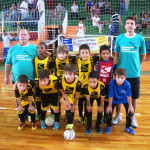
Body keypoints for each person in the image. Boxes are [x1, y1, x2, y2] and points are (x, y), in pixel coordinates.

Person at [114, 17, 146, 128]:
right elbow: (116, 55)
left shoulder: (140, 39)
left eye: (132, 23)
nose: (129, 25)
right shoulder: (120, 38)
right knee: (118, 95)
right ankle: (118, 115)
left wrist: (138, 66)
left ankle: (132, 116)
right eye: (127, 23)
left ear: (135, 26)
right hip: (120, 74)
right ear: (125, 25)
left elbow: (143, 55)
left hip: (134, 73)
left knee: (134, 97)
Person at [104, 68, 135, 135]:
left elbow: (129, 96)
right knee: (108, 112)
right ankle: (108, 126)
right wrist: (109, 106)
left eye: (122, 78)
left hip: (124, 99)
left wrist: (130, 106)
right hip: (114, 99)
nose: (119, 80)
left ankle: (128, 126)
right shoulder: (111, 83)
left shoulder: (127, 84)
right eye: (118, 77)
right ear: (115, 77)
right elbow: (110, 96)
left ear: (125, 78)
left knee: (130, 112)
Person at [75, 44, 99, 125]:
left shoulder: (92, 59)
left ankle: (86, 116)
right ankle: (80, 116)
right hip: (80, 86)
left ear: (89, 53)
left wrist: (113, 57)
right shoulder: (76, 60)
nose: (84, 54)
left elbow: (104, 55)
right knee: (80, 102)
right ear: (79, 54)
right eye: (82, 53)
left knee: (87, 102)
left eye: (86, 52)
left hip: (89, 86)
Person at [33, 42, 53, 121]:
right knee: (37, 98)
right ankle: (39, 113)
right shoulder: (35, 59)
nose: (39, 50)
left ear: (46, 49)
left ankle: (52, 113)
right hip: (38, 82)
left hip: (46, 83)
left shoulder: (49, 60)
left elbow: (51, 72)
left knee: (48, 98)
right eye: (38, 48)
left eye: (42, 48)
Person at [96, 45, 116, 123]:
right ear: (100, 54)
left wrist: (112, 57)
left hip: (109, 85)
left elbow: (116, 61)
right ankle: (100, 116)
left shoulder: (112, 62)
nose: (105, 55)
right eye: (103, 54)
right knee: (100, 101)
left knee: (107, 101)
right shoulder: (98, 62)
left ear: (109, 53)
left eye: (107, 53)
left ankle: (106, 116)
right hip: (100, 85)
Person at [58, 64, 81, 130]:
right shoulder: (60, 79)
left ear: (74, 74)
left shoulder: (78, 83)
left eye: (70, 74)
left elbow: (77, 95)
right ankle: (58, 115)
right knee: (57, 103)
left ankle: (70, 123)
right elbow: (61, 90)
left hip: (72, 95)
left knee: (70, 107)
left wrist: (74, 104)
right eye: (66, 74)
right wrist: (66, 99)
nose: (67, 76)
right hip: (64, 93)